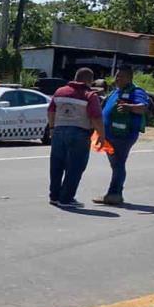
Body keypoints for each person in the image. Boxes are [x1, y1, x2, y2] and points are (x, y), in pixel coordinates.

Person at [47, 67, 105, 208]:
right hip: (79, 133)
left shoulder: (60, 91)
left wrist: (52, 128)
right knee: (75, 167)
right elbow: (95, 117)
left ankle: (54, 196)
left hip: (59, 131)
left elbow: (51, 111)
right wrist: (102, 135)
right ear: (89, 80)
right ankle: (66, 199)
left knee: (57, 165)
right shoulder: (89, 95)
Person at [93, 68, 149, 206]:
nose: (117, 79)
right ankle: (114, 194)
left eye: (121, 76)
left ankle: (114, 194)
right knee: (116, 164)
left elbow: (143, 107)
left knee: (118, 164)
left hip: (123, 136)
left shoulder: (136, 91)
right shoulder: (116, 91)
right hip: (110, 135)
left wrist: (129, 107)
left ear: (129, 78)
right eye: (117, 76)